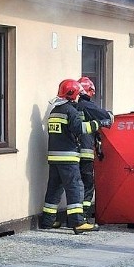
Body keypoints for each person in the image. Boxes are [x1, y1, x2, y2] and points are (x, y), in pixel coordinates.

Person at [40, 79, 105, 234]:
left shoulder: (54, 111)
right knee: (75, 187)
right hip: (68, 157)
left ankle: (47, 221)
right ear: (72, 94)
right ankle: (77, 222)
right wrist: (98, 124)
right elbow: (79, 129)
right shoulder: (71, 111)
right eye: (77, 94)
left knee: (54, 188)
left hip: (54, 157)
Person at [76, 76, 113, 220]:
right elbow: (108, 117)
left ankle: (74, 215)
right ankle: (83, 216)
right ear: (88, 91)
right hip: (85, 153)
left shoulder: (70, 107)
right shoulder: (87, 106)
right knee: (87, 185)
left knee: (73, 185)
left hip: (71, 153)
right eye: (92, 91)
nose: (93, 94)